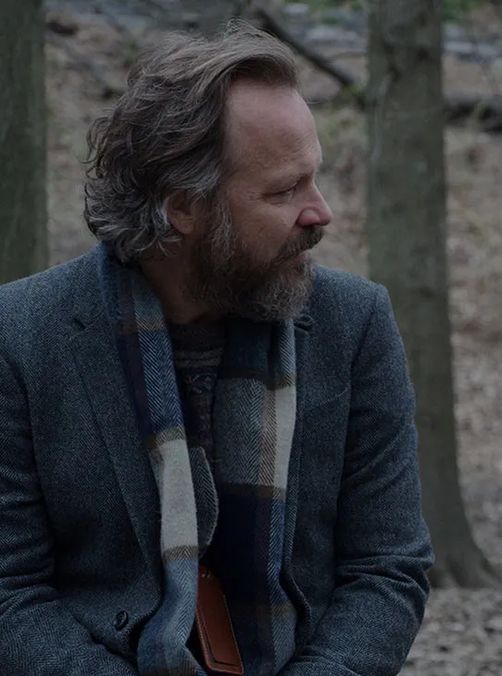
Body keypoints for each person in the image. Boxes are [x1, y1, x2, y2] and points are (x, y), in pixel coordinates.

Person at [0, 24, 433, 675]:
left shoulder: (355, 324)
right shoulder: (22, 337)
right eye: (285, 190)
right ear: (184, 207)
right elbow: (11, 594)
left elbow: (388, 568)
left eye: (313, 179)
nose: (321, 213)